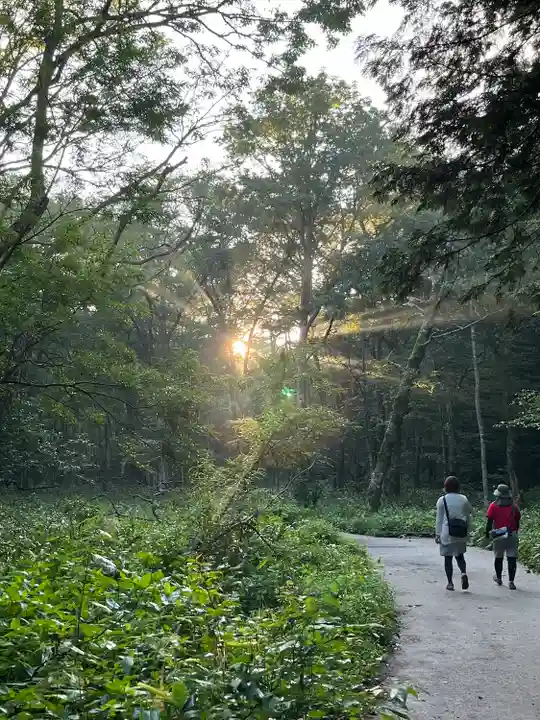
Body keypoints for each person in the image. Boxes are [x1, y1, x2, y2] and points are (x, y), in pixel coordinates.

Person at [435, 476, 472, 591]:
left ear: (445, 487)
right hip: (461, 532)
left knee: (448, 558)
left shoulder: (442, 500)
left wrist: (437, 534)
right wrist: (468, 532)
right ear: (458, 487)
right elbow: (468, 516)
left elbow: (439, 519)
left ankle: (450, 583)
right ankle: (463, 573)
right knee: (460, 556)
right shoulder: (464, 499)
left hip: (447, 533)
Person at [486, 484, 521, 590]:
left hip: (498, 535)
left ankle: (499, 578)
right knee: (511, 557)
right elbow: (517, 520)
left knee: (498, 557)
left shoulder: (493, 506)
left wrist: (487, 533)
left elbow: (489, 521)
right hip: (512, 533)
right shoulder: (514, 506)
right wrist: (515, 531)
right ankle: (511, 581)